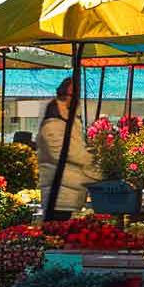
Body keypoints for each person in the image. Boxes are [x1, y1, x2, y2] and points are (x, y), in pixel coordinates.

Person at [36, 77, 103, 220]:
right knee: (56, 233)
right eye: (74, 95)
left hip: (69, 192)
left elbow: (77, 149)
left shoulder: (70, 124)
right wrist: (97, 164)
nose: (77, 100)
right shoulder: (52, 126)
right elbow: (67, 153)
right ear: (64, 96)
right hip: (59, 195)